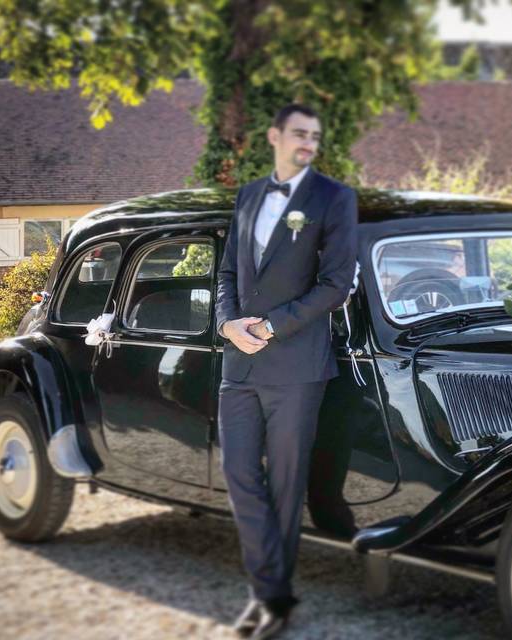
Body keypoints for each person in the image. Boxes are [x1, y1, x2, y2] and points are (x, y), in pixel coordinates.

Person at [215, 103, 358, 639]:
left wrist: (269, 327)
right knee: (238, 473)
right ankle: (269, 585)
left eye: (315, 137)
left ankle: (271, 598)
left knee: (285, 483)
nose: (308, 143)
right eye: (299, 134)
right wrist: (229, 325)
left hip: (296, 365)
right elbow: (228, 271)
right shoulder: (250, 194)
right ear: (274, 136)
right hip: (239, 362)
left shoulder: (335, 198)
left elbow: (336, 284)